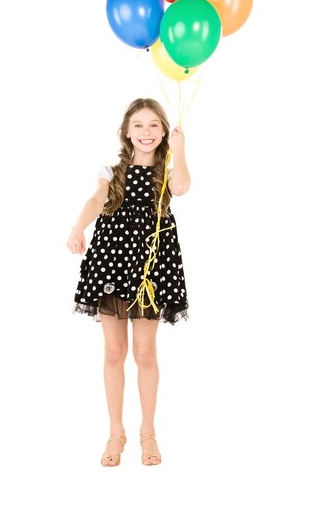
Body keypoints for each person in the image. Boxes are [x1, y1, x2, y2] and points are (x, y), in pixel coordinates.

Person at [66, 97, 190, 467]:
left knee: (145, 352)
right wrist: (77, 226)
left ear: (164, 131)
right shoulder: (111, 170)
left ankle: (148, 432)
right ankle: (115, 432)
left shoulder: (167, 168)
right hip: (111, 262)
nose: (146, 132)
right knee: (114, 352)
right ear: (126, 131)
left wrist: (181, 151)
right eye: (139, 125)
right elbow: (95, 199)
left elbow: (182, 187)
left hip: (152, 264)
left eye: (154, 125)